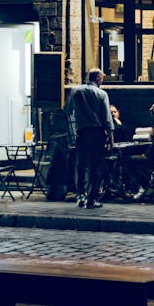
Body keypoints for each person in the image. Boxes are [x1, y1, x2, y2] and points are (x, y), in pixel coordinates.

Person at [64, 67, 114, 209]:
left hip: (81, 132)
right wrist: (111, 139)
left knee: (80, 165)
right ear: (98, 79)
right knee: (95, 166)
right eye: (102, 79)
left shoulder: (75, 90)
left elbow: (67, 111)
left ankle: (80, 195)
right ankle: (92, 198)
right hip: (97, 133)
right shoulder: (101, 94)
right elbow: (107, 119)